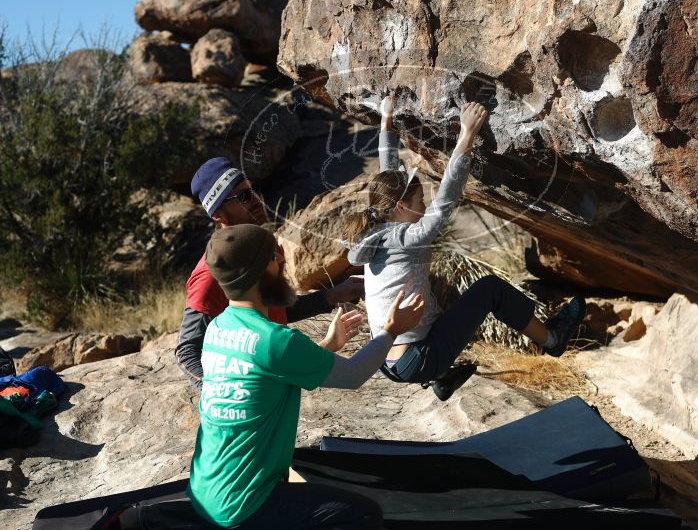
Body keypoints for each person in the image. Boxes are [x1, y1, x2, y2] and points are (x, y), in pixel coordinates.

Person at [344, 96, 586, 401]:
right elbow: (446, 198)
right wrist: (466, 135)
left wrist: (386, 123)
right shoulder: (408, 237)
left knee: (428, 297)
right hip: (417, 358)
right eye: (420, 202)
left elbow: (388, 176)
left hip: (385, 360)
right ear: (402, 207)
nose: (425, 206)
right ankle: (552, 339)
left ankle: (442, 377)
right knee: (489, 290)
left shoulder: (377, 229)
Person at [187, 224, 424, 529]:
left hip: (205, 494)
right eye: (275, 255)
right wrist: (392, 330)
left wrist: (326, 347)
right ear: (258, 271)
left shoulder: (218, 329)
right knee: (363, 514)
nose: (284, 260)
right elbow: (353, 375)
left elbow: (268, 375)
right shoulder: (275, 341)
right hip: (245, 506)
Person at [176, 157, 364, 389]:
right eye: (243, 197)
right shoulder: (210, 275)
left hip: (275, 381)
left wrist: (338, 293)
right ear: (218, 215)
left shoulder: (264, 245)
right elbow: (187, 352)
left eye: (253, 191)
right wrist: (224, 396)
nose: (255, 200)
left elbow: (277, 309)